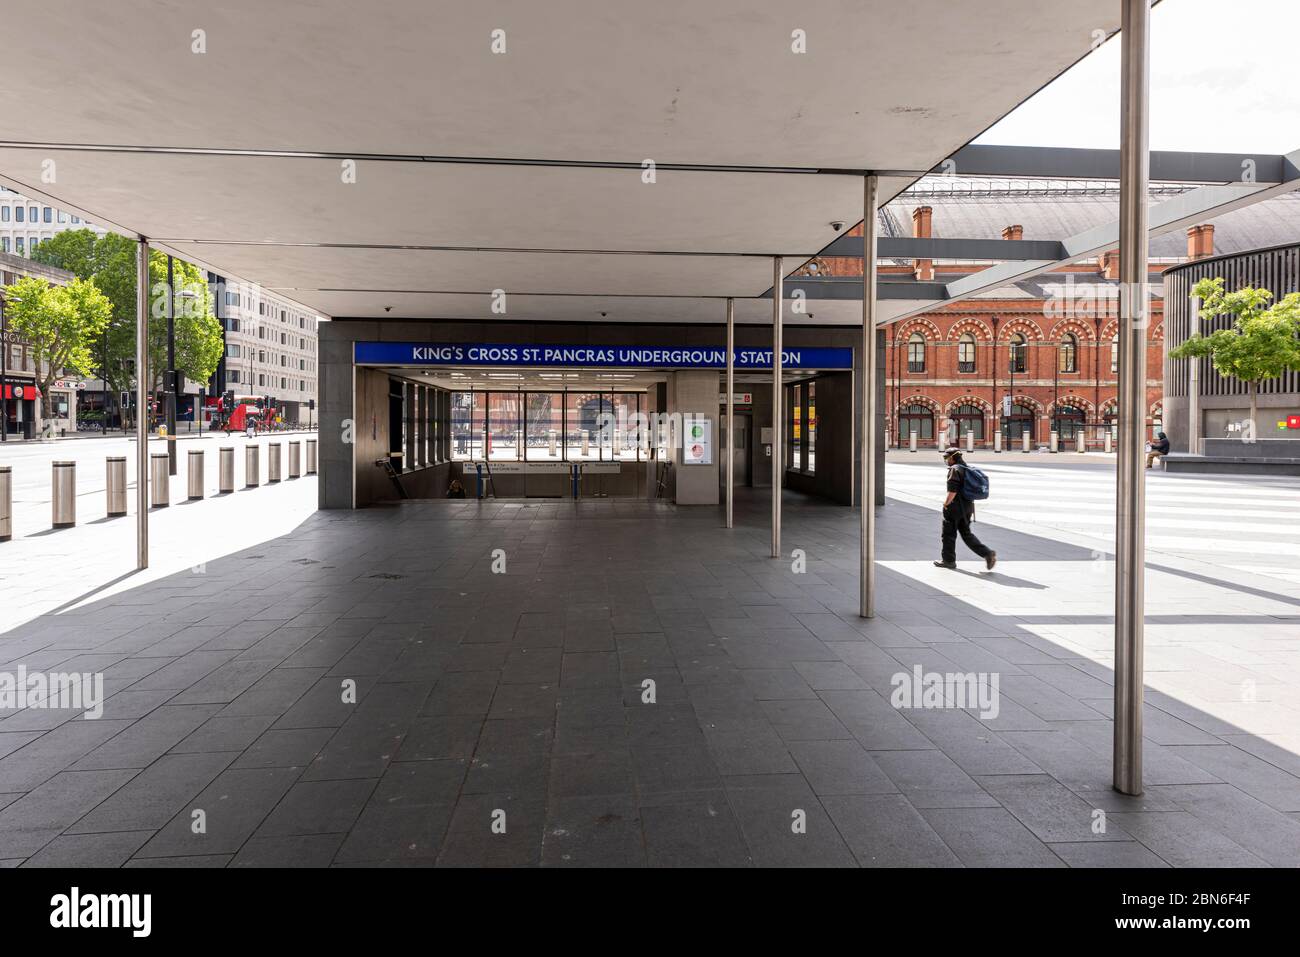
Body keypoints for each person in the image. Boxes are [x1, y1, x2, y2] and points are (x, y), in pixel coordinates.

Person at [935, 446, 996, 571]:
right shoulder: (966, 468)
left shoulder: (954, 470)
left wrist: (946, 504)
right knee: (966, 534)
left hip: (954, 508)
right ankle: (987, 553)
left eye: (947, 457)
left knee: (948, 534)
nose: (946, 460)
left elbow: (952, 491)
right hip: (967, 507)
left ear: (953, 458)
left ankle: (948, 560)